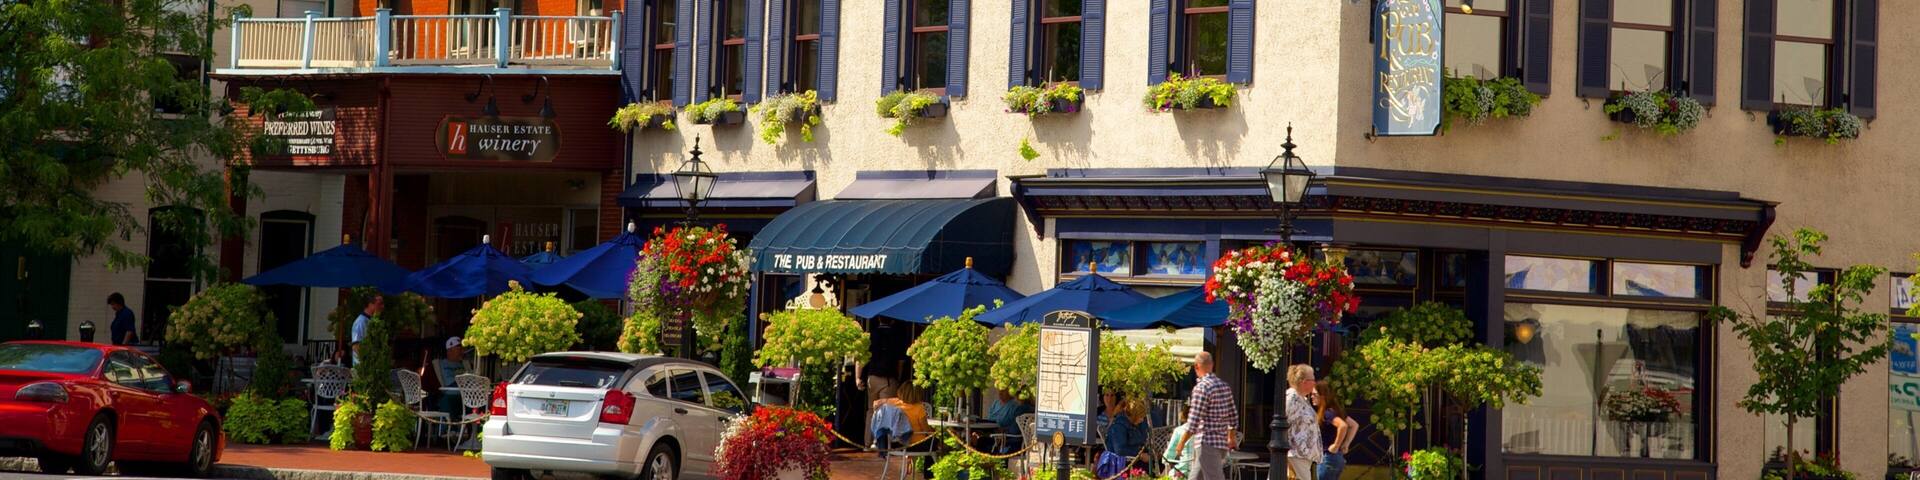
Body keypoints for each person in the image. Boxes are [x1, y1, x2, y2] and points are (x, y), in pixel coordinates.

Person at [1175, 352, 1236, 480]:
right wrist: (1231, 437)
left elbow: (1193, 422)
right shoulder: (1225, 386)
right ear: (1212, 365)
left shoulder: (1202, 388)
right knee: (1195, 477)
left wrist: (1181, 443)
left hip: (1207, 442)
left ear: (1196, 367)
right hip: (1221, 444)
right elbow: (1233, 416)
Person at [857, 317, 907, 443]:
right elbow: (901, 362)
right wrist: (899, 378)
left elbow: (861, 359)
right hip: (888, 378)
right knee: (886, 411)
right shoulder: (897, 337)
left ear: (879, 319)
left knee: (871, 410)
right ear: (893, 321)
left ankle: (867, 443)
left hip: (872, 377)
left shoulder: (870, 336)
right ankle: (882, 443)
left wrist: (858, 377)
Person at [1285, 364, 1323, 480]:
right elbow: (1284, 423)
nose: (1315, 383)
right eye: (1313, 379)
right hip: (1296, 453)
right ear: (1304, 382)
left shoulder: (1302, 399)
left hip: (1303, 455)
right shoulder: (1292, 398)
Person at [1315, 381, 1358, 480]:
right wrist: (1345, 444)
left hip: (1328, 457)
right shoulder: (1335, 410)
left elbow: (1343, 426)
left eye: (1315, 394)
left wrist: (1336, 445)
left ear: (1323, 396)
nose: (1312, 397)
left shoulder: (1327, 413)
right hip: (1336, 458)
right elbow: (1354, 425)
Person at [434, 336, 472, 416]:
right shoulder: (442, 364)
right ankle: (448, 427)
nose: (461, 351)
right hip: (452, 393)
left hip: (467, 395)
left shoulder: (465, 364)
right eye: (458, 349)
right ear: (449, 351)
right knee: (447, 400)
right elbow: (449, 383)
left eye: (461, 349)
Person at [1103, 392, 1149, 458]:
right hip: (1124, 462)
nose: (1142, 420)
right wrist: (1140, 455)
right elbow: (1120, 450)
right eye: (1140, 416)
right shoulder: (1118, 427)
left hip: (1135, 458)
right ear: (1134, 415)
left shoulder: (1132, 424)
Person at [352, 294, 384, 365]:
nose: (382, 307)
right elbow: (356, 346)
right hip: (363, 369)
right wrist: (368, 361)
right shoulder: (361, 322)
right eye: (379, 304)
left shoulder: (372, 321)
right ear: (370, 305)